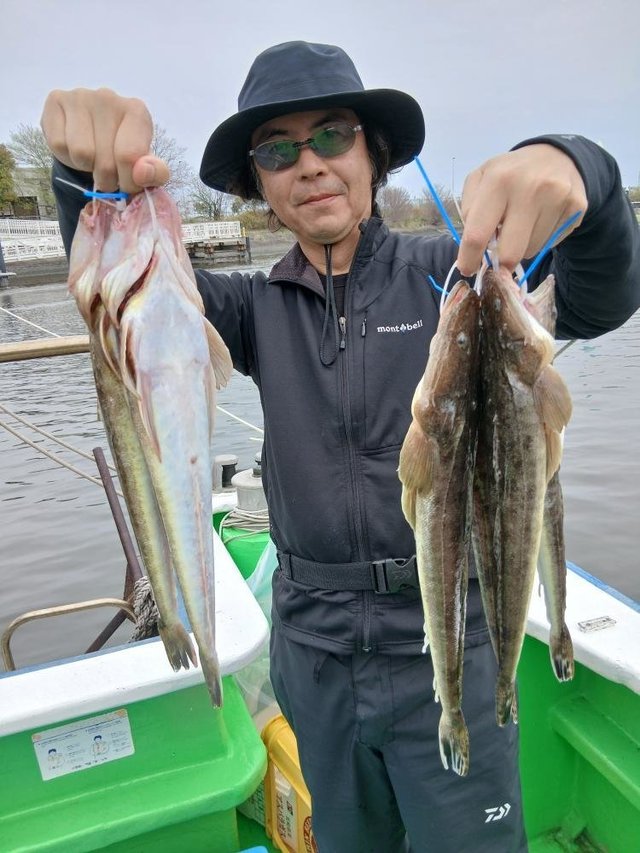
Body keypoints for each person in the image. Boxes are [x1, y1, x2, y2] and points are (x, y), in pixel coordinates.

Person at [42, 41, 640, 853]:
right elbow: (121, 299)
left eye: (332, 136)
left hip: (444, 630)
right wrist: (83, 181)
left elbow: (601, 297)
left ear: (373, 155)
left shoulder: (455, 279)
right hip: (313, 652)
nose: (310, 164)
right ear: (260, 185)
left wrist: (584, 170)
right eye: (278, 151)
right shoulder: (248, 306)